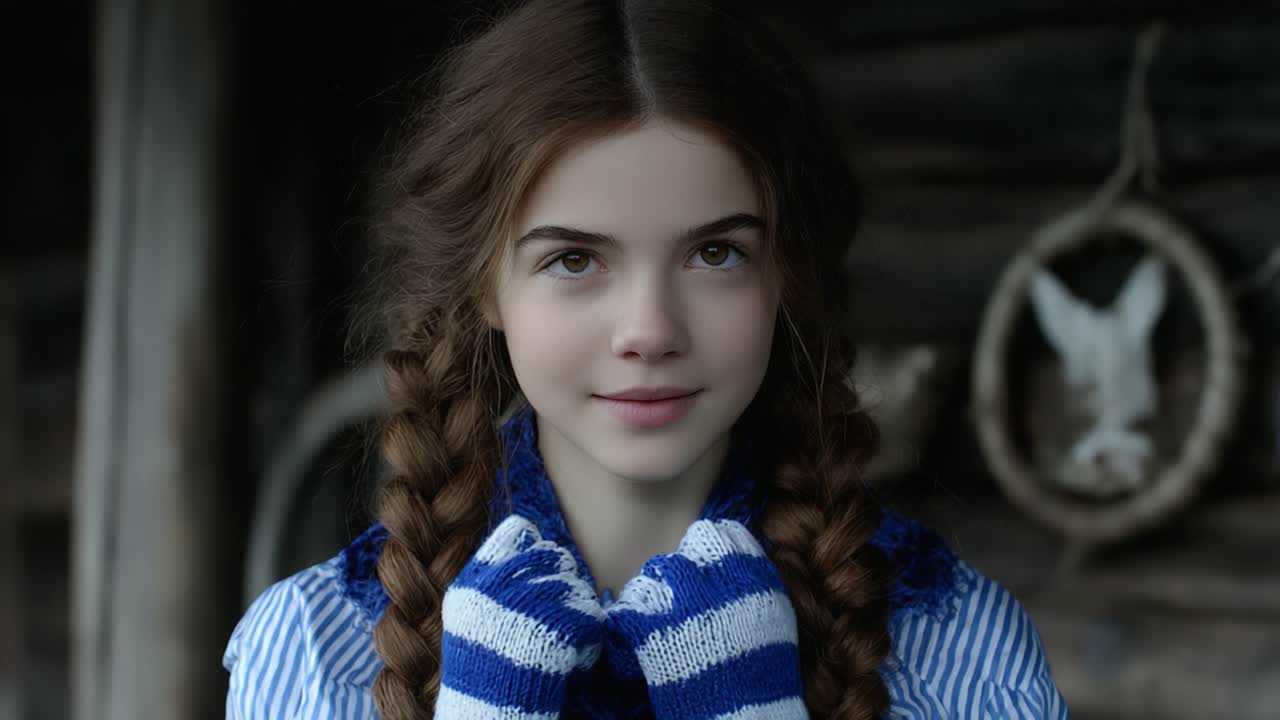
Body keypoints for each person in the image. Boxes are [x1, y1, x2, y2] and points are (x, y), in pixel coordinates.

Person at [223, 0, 1072, 717]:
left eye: (715, 255)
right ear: (485, 288)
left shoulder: (952, 649)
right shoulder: (313, 652)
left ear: (786, 272)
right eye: (574, 259)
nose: (650, 329)